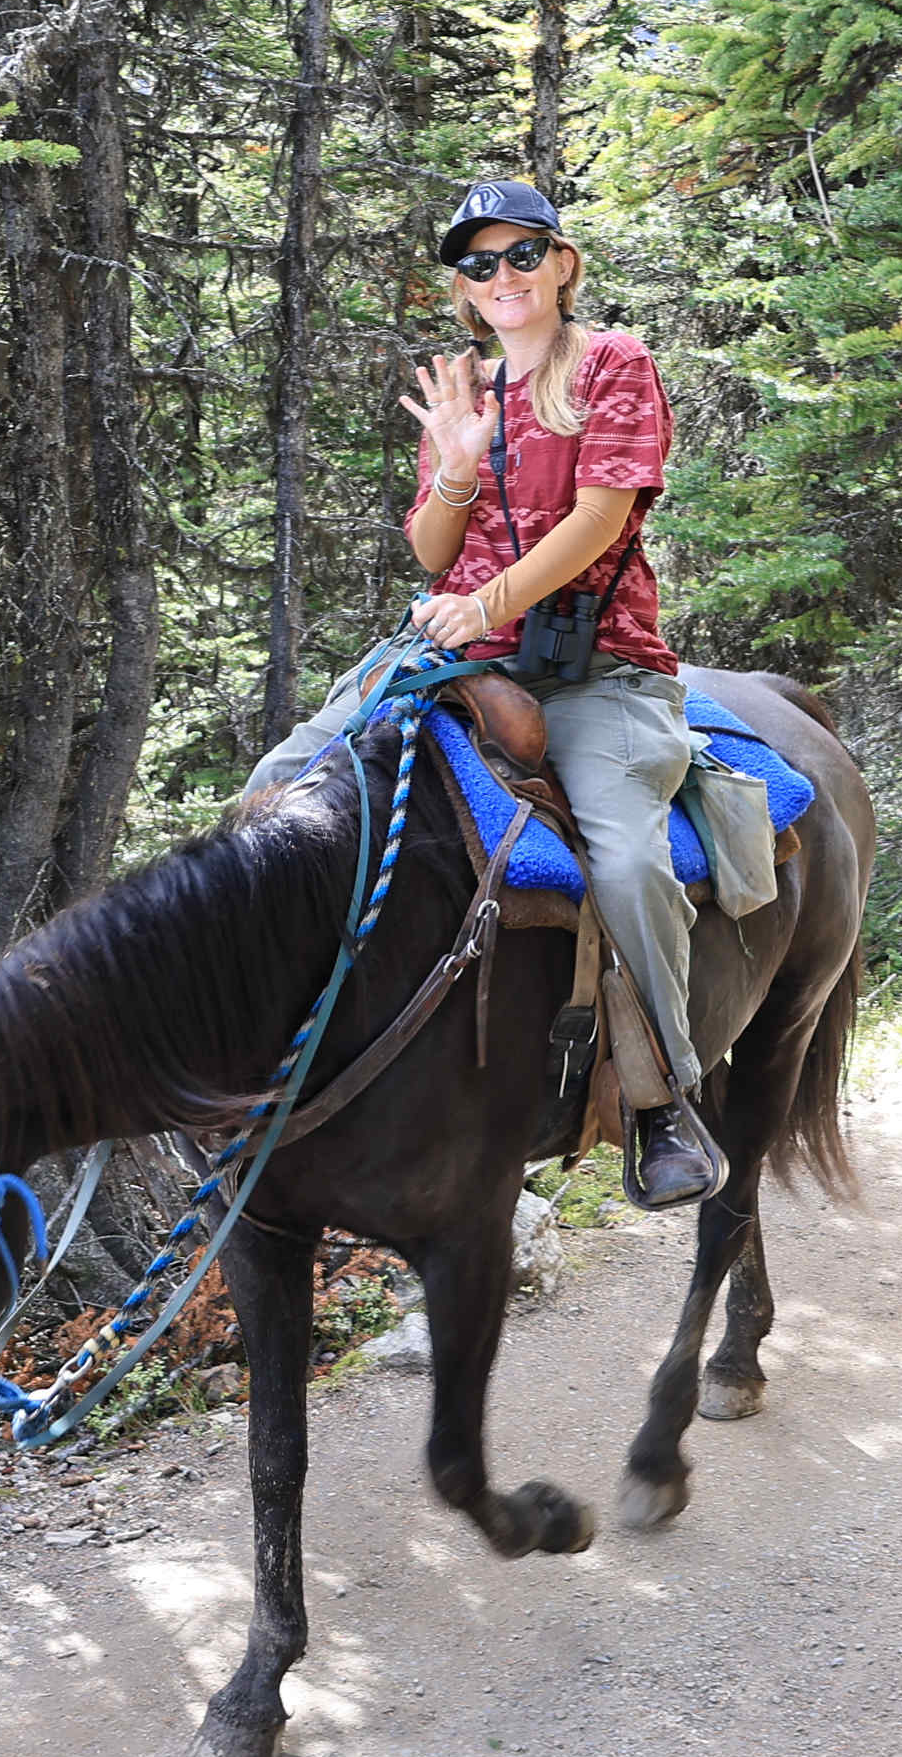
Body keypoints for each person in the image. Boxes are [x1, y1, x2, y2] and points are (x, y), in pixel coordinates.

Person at [238, 178, 725, 1209]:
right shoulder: (466, 391)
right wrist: (455, 465)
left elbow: (601, 518)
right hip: (456, 658)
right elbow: (430, 546)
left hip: (597, 666)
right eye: (477, 262)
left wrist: (489, 600)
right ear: (461, 285)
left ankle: (661, 1097)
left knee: (630, 859)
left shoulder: (610, 364)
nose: (500, 276)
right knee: (275, 786)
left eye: (520, 254)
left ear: (562, 263)